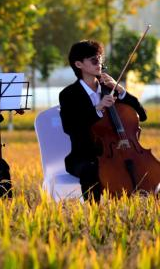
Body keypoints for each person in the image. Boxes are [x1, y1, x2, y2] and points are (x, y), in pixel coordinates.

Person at [59, 40, 146, 201]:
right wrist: (97, 109)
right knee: (91, 170)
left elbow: (142, 114)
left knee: (146, 167)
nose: (98, 62)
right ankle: (95, 214)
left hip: (120, 152)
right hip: (84, 157)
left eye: (99, 58)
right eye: (93, 59)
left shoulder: (110, 90)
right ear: (79, 64)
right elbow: (70, 127)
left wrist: (120, 90)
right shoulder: (69, 94)